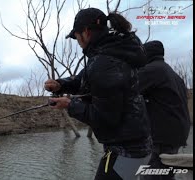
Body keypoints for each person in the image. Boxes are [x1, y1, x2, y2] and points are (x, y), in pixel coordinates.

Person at [44, 8, 152, 180]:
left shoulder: (105, 63)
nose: (77, 41)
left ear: (86, 32)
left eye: (76, 36)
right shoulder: (111, 52)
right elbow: (84, 80)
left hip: (124, 150)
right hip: (136, 142)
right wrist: (60, 85)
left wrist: (70, 105)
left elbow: (105, 119)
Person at [138, 40, 191, 180]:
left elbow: (128, 89)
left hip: (161, 137)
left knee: (151, 174)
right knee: (166, 173)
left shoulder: (152, 70)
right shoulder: (172, 74)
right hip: (177, 135)